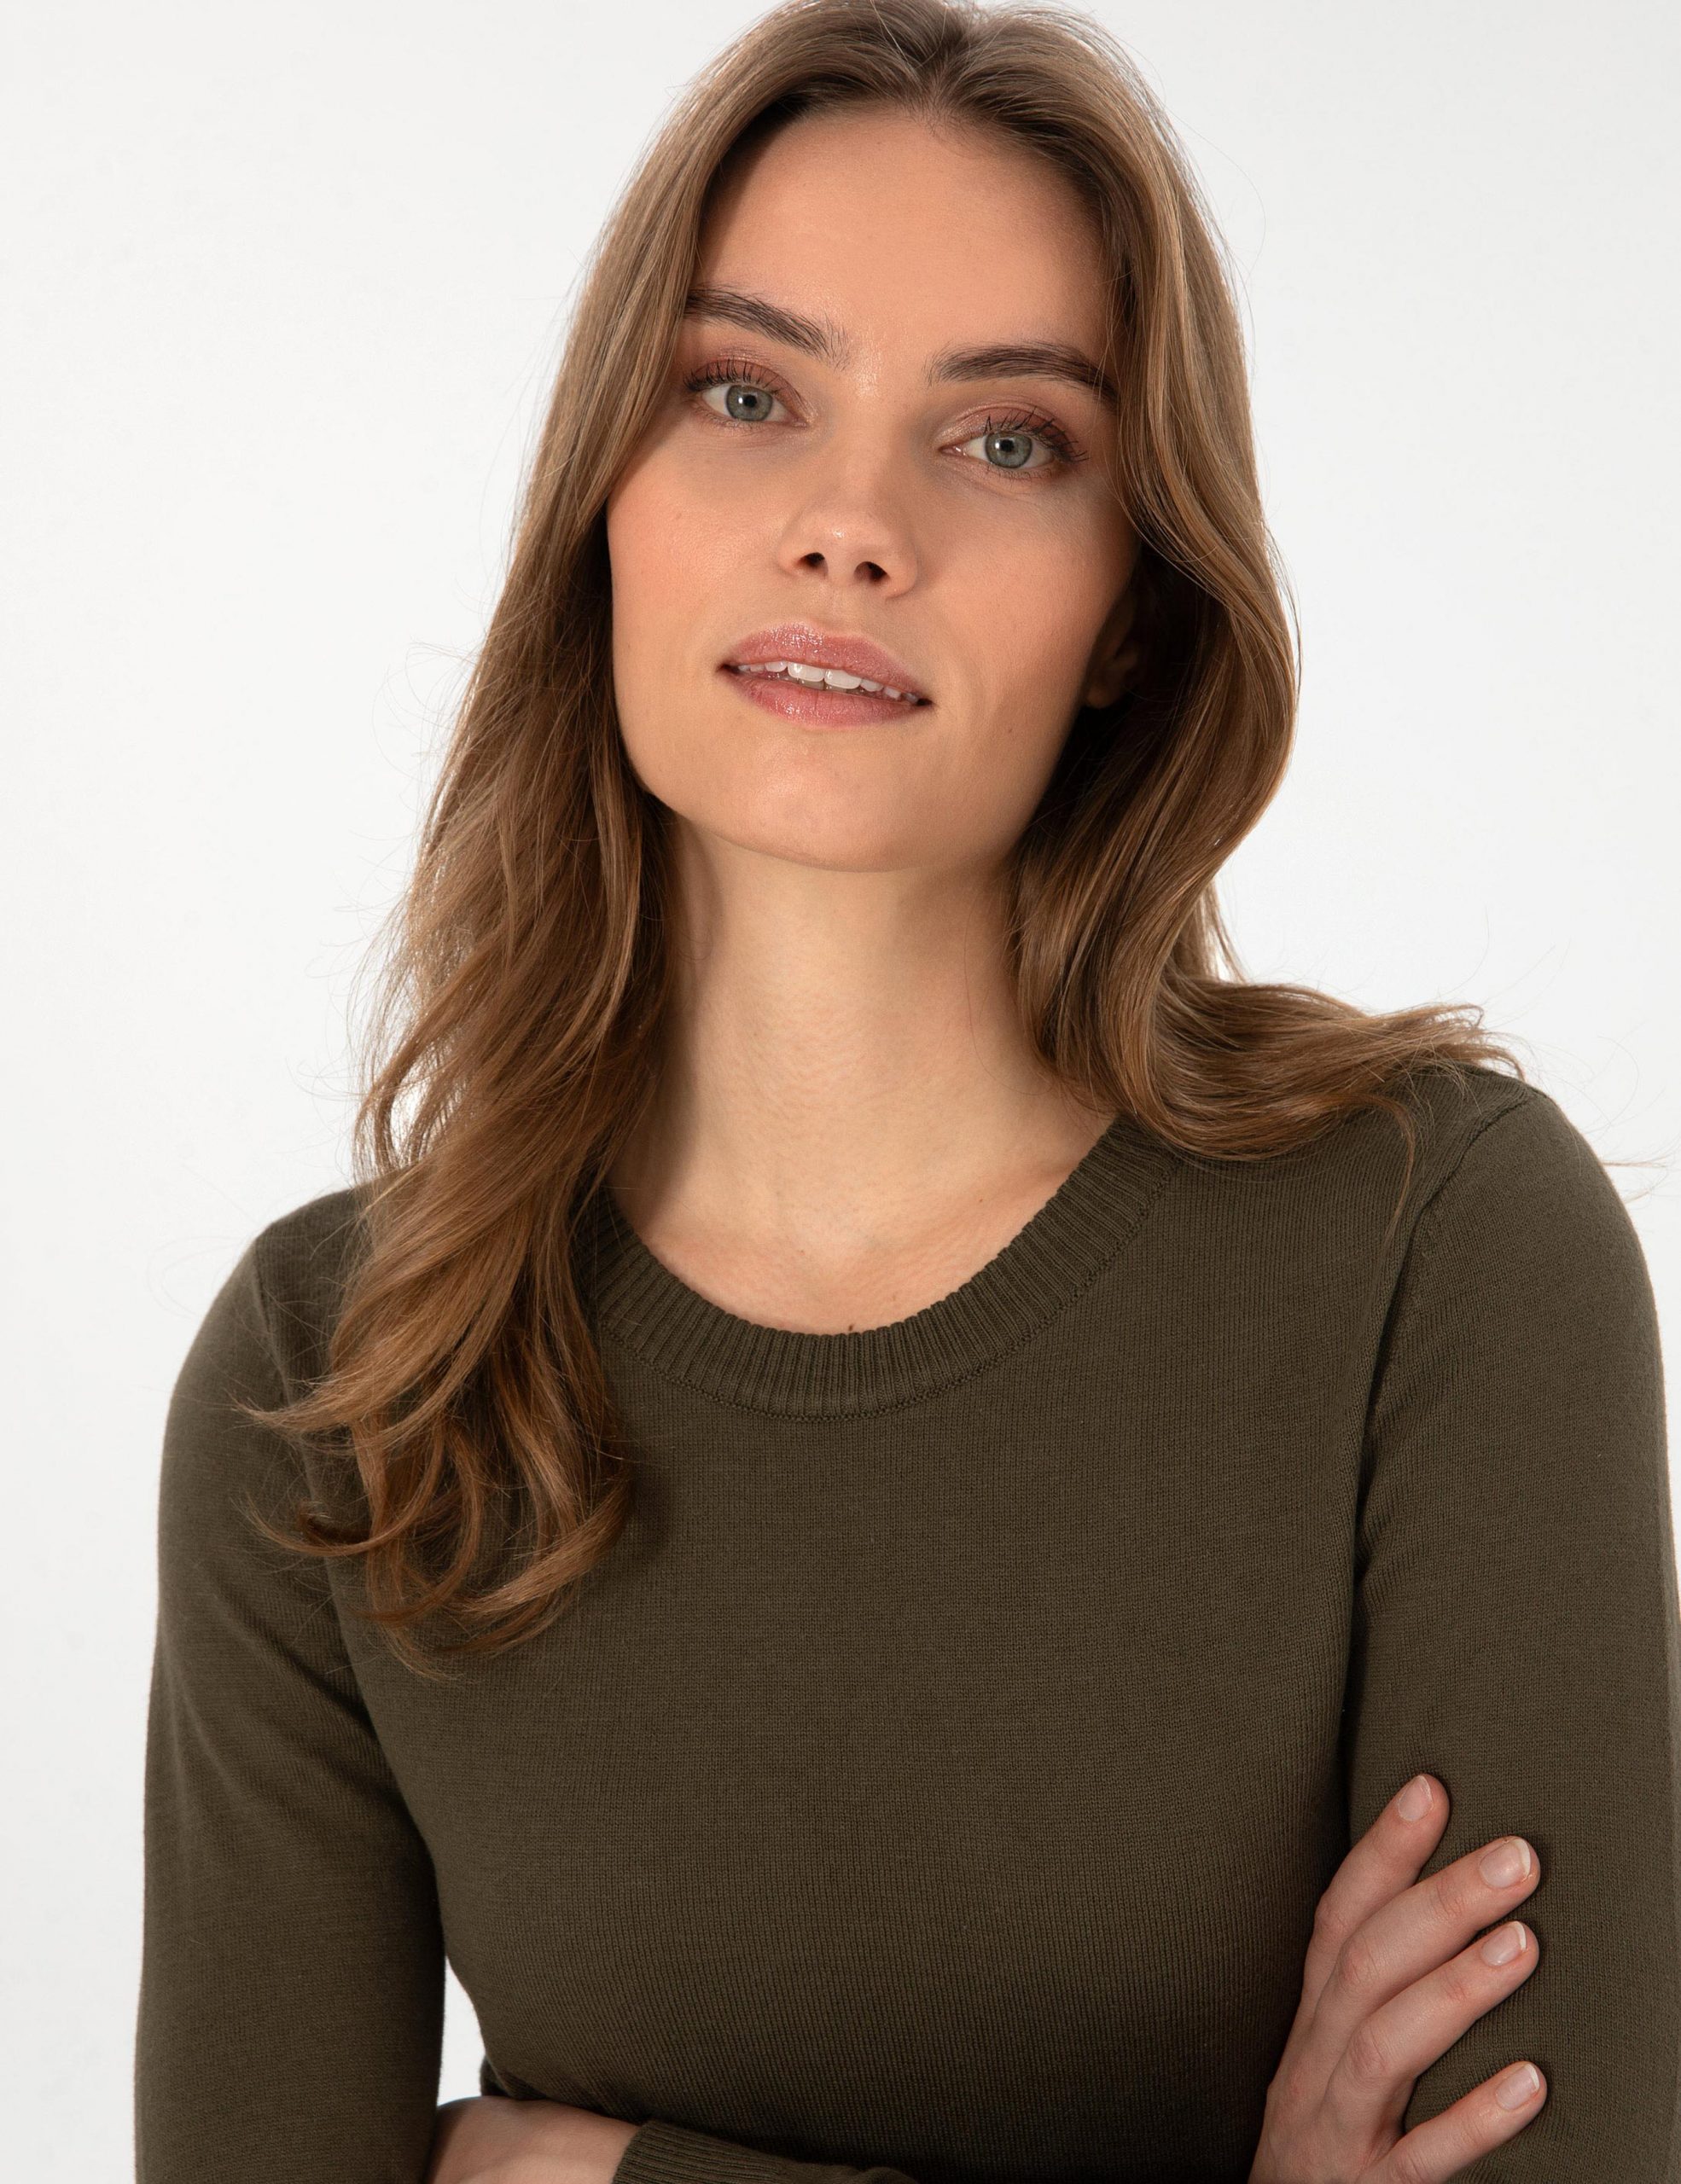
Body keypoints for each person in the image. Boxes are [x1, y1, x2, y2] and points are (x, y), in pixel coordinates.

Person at [133, 2, 1681, 2180]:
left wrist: (584, 2170)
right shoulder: (343, 1379)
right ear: (607, 496)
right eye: (745, 393)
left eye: (1008, 439)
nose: (850, 526)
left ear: (1133, 607)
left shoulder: (1433, 1245)